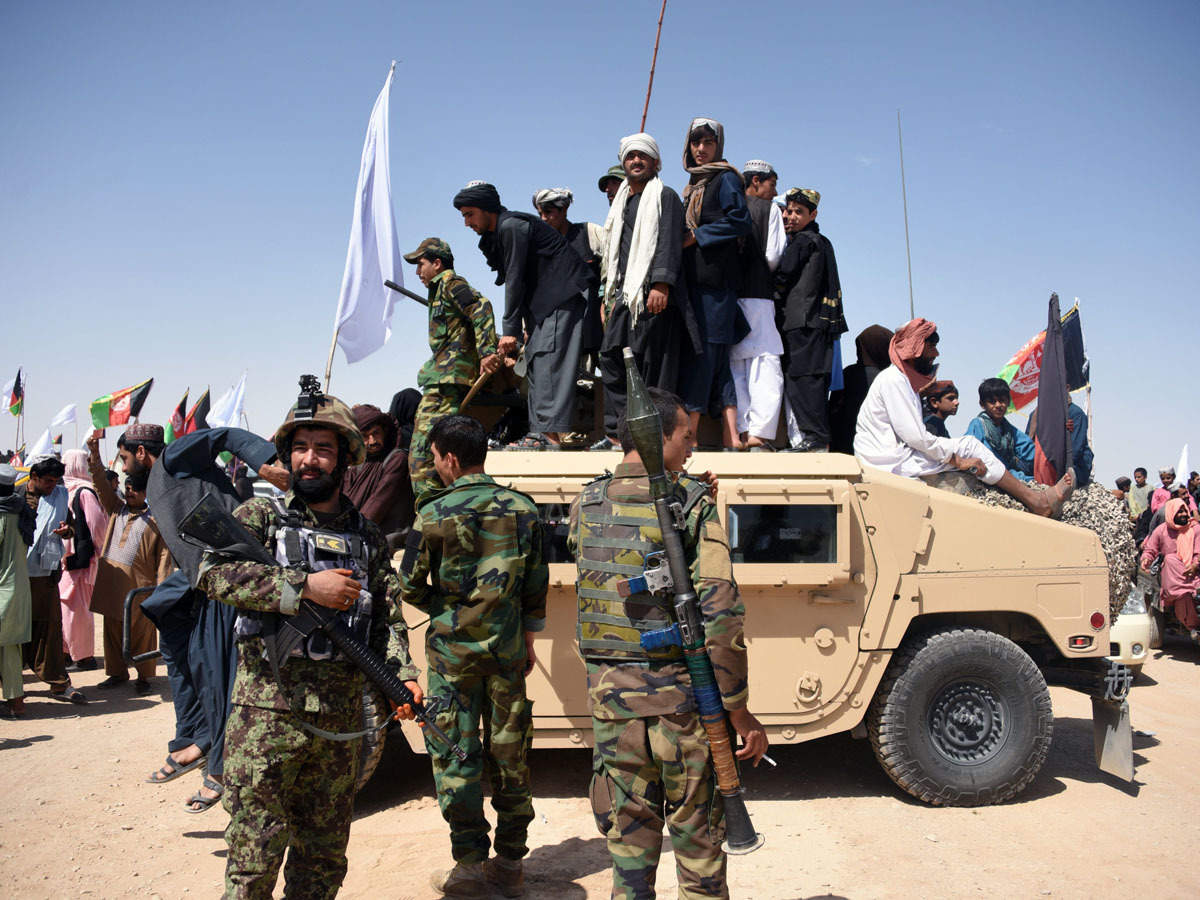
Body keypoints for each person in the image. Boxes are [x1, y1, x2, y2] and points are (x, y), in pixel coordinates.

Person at [198, 384, 422, 898]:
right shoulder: (260, 518)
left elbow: (386, 619)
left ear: (344, 457)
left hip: (339, 723)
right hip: (266, 717)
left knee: (321, 864)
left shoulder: (365, 536)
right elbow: (213, 574)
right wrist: (301, 587)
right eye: (300, 447)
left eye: (323, 448)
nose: (310, 459)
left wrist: (402, 676)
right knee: (252, 864)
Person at [568, 386, 768, 898]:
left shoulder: (585, 503)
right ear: (656, 437)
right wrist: (739, 711)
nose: (691, 447)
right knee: (699, 848)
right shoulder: (691, 504)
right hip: (681, 708)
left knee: (628, 852)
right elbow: (720, 615)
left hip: (612, 708)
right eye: (685, 437)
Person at [400, 415, 547, 898]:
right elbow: (535, 583)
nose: (435, 466)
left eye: (435, 458)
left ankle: (467, 865)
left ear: (450, 458)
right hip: (507, 654)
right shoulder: (523, 508)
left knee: (455, 756)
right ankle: (510, 864)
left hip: (451, 660)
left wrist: (447, 611)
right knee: (511, 756)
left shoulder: (432, 513)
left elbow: (408, 584)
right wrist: (526, 635)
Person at [130, 422, 288, 812]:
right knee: (168, 626)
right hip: (197, 577)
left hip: (229, 568)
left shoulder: (171, 458)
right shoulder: (161, 481)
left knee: (213, 667)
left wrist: (264, 462)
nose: (122, 467)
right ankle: (194, 737)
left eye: (123, 458)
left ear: (140, 452)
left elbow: (223, 436)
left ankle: (219, 766)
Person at [854, 319, 1074, 517]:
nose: (936, 353)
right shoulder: (894, 380)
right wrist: (958, 460)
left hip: (897, 454)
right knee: (970, 447)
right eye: (931, 347)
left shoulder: (901, 381)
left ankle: (1034, 496)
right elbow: (916, 438)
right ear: (915, 349)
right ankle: (1037, 502)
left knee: (970, 449)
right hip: (887, 460)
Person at [454, 182, 593, 450]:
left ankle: (548, 436)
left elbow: (515, 279)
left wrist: (510, 331)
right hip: (542, 306)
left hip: (560, 297)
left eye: (470, 214)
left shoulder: (512, 226)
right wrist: (524, 327)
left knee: (548, 359)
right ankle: (543, 434)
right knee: (537, 362)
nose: (467, 223)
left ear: (487, 209)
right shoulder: (498, 233)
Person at [592, 132, 694, 451]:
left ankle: (653, 437)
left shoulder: (665, 197)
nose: (636, 161)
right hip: (625, 296)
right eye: (630, 156)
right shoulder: (621, 202)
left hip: (654, 296)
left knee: (653, 368)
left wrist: (662, 283)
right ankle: (618, 432)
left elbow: (668, 242)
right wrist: (608, 296)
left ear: (656, 162)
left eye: (643, 156)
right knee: (612, 358)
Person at [404, 236, 502, 494]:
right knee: (429, 458)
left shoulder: (450, 283)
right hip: (442, 381)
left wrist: (487, 352)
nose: (417, 272)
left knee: (423, 460)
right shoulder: (440, 290)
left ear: (437, 263)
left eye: (421, 264)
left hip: (447, 384)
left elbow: (481, 307)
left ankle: (431, 512)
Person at [680, 117, 753, 449]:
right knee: (718, 360)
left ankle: (691, 434)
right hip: (698, 282)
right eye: (695, 142)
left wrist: (698, 235)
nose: (700, 149)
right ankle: (731, 435)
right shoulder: (695, 184)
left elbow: (740, 220)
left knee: (704, 354)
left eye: (707, 142)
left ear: (718, 146)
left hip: (715, 284)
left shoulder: (725, 178)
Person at [86, 436, 174, 695]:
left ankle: (144, 677)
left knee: (142, 634)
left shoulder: (156, 520)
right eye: (127, 487)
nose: (129, 492)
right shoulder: (117, 509)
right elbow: (100, 482)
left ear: (146, 493)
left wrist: (161, 590)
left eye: (135, 489)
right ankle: (116, 673)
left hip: (139, 589)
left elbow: (164, 558)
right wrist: (94, 454)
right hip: (112, 586)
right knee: (112, 630)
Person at [776, 187, 848, 452]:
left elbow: (782, 276)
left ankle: (814, 438)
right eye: (788, 211)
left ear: (813, 214)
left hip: (802, 323)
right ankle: (815, 438)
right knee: (811, 381)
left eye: (798, 212)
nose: (790, 217)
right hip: (816, 323)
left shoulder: (803, 241)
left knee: (802, 380)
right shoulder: (820, 241)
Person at [731, 159, 787, 450]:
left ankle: (742, 431)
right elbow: (773, 256)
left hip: (729, 295)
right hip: (758, 294)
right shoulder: (769, 209)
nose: (774, 192)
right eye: (772, 184)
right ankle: (760, 434)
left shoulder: (731, 206)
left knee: (737, 364)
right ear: (756, 181)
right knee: (765, 362)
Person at [22, 454, 86, 703]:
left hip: (46, 573)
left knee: (50, 628)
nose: (52, 486)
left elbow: (71, 525)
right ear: (34, 477)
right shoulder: (17, 497)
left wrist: (66, 531)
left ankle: (59, 683)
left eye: (55, 481)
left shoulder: (59, 496)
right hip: (17, 574)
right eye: (48, 481)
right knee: (13, 628)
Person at [534, 187, 607, 369]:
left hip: (597, 324)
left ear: (564, 209)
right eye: (540, 213)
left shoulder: (589, 233)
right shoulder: (541, 247)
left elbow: (613, 266)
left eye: (548, 212)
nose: (544, 218)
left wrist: (607, 300)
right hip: (561, 332)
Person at [59, 448, 106, 670]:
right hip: (72, 561)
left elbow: (96, 525)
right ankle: (72, 653)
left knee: (75, 610)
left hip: (78, 560)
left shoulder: (79, 492)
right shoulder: (73, 491)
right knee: (69, 609)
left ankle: (81, 656)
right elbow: (97, 525)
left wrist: (98, 550)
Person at [342, 403, 411, 541]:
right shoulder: (357, 463)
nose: (372, 441)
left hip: (385, 540)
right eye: (365, 436)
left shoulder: (397, 459)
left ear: (384, 432)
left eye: (376, 433)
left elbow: (377, 505)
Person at [1141, 497, 1200, 641]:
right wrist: (1146, 559)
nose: (1183, 514)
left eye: (1185, 511)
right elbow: (1150, 549)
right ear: (1171, 513)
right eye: (1179, 512)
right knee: (1171, 559)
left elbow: (1198, 552)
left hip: (1194, 573)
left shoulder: (1196, 529)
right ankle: (1192, 626)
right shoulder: (1162, 530)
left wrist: (1194, 565)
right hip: (1173, 576)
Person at [828, 325, 893, 455]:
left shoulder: (847, 374)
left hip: (843, 447)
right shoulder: (888, 378)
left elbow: (833, 411)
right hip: (877, 449)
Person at [0, 463, 32, 718]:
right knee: (10, 649)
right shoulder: (23, 511)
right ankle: (16, 703)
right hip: (19, 588)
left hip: (2, 590)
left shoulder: (2, 516)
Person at [965, 378, 1034, 481]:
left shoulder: (1009, 430)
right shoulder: (978, 425)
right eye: (992, 402)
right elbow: (968, 450)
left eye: (1002, 400)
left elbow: (1029, 451)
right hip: (988, 474)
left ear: (1008, 402)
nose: (998, 405)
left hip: (1008, 474)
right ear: (982, 404)